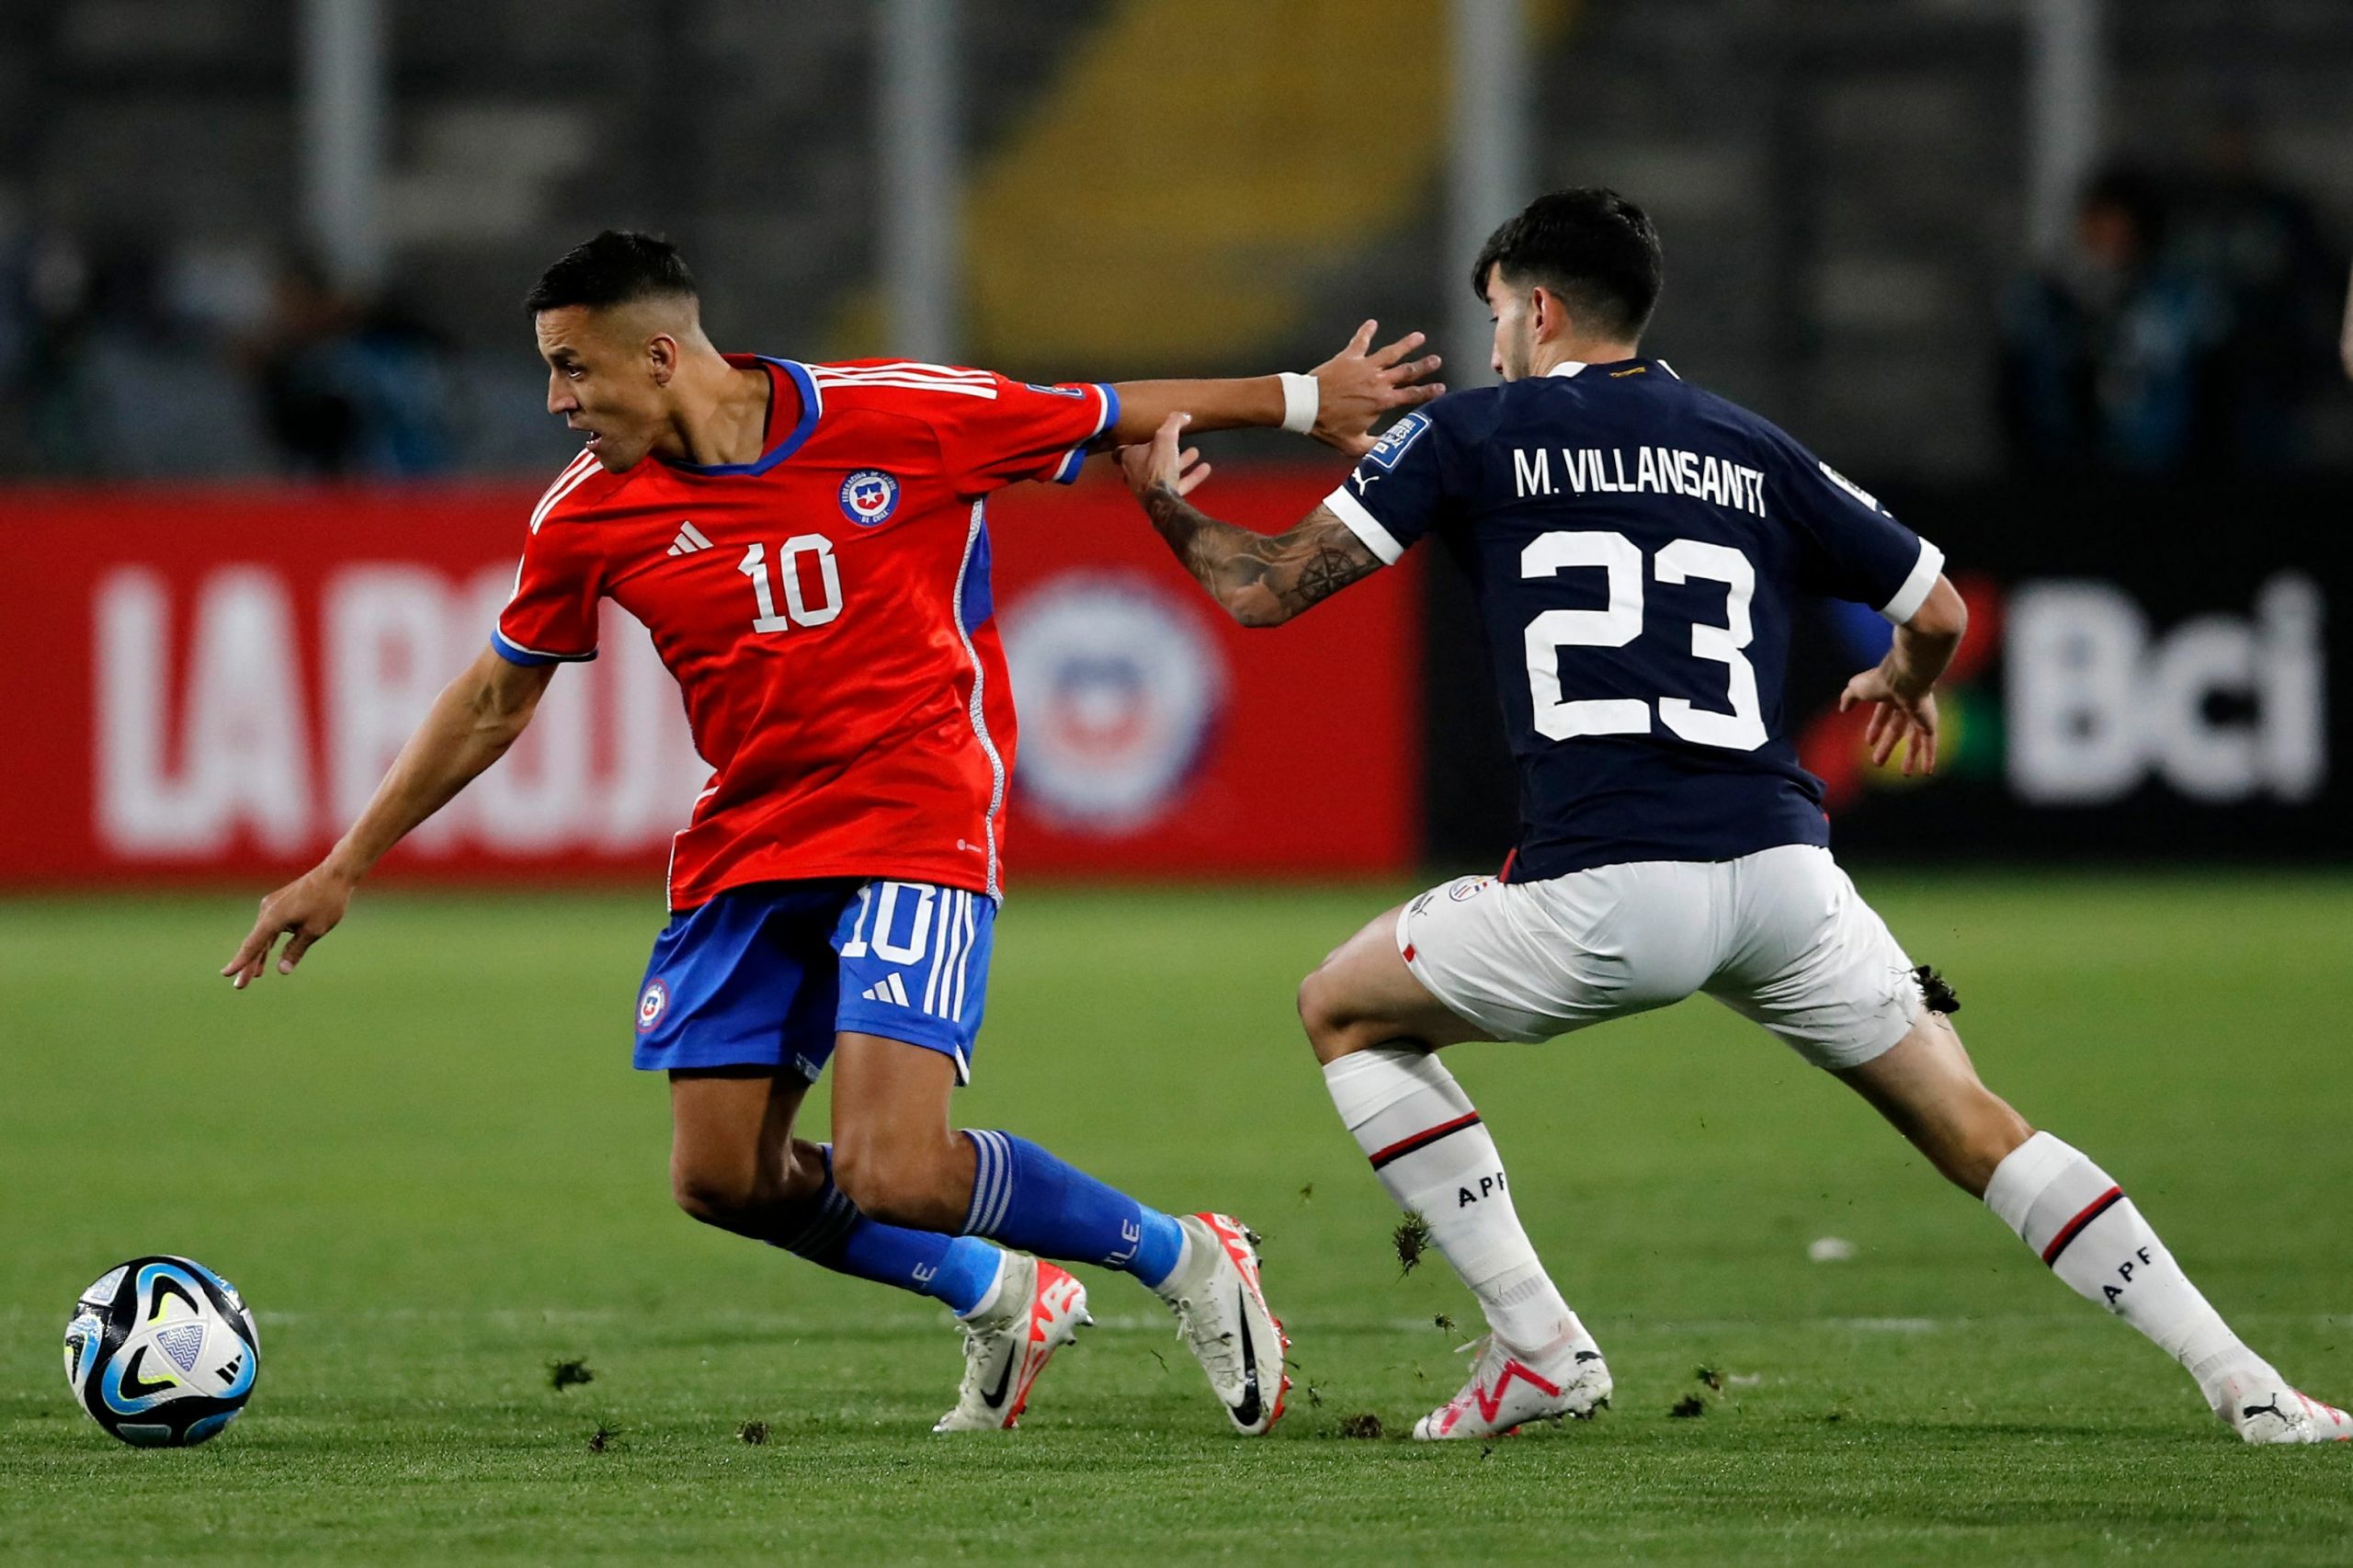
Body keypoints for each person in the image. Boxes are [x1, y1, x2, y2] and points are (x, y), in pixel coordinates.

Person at [1117, 187, 2351, 1445]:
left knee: (1342, 1004)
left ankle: (1540, 1346)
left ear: (1539, 308)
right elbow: (1936, 613)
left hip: (1606, 890)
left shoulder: (1471, 438)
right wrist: (1899, 686)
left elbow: (1263, 591)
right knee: (1980, 1125)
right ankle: (2251, 1385)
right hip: (1783, 877)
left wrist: (1163, 503)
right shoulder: (1743, 441)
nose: (1492, 344)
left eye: (1496, 314)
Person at [221, 230, 1443, 1435]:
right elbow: (496, 694)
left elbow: (1106, 405)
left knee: (895, 1167)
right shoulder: (587, 513)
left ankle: (1186, 1255)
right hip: (751, 834)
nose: (555, 399)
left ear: (658, 356)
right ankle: (999, 1290)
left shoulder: (898, 413)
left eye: (571, 367)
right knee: (721, 1177)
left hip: (918, 810)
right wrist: (343, 865)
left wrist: (1300, 399)